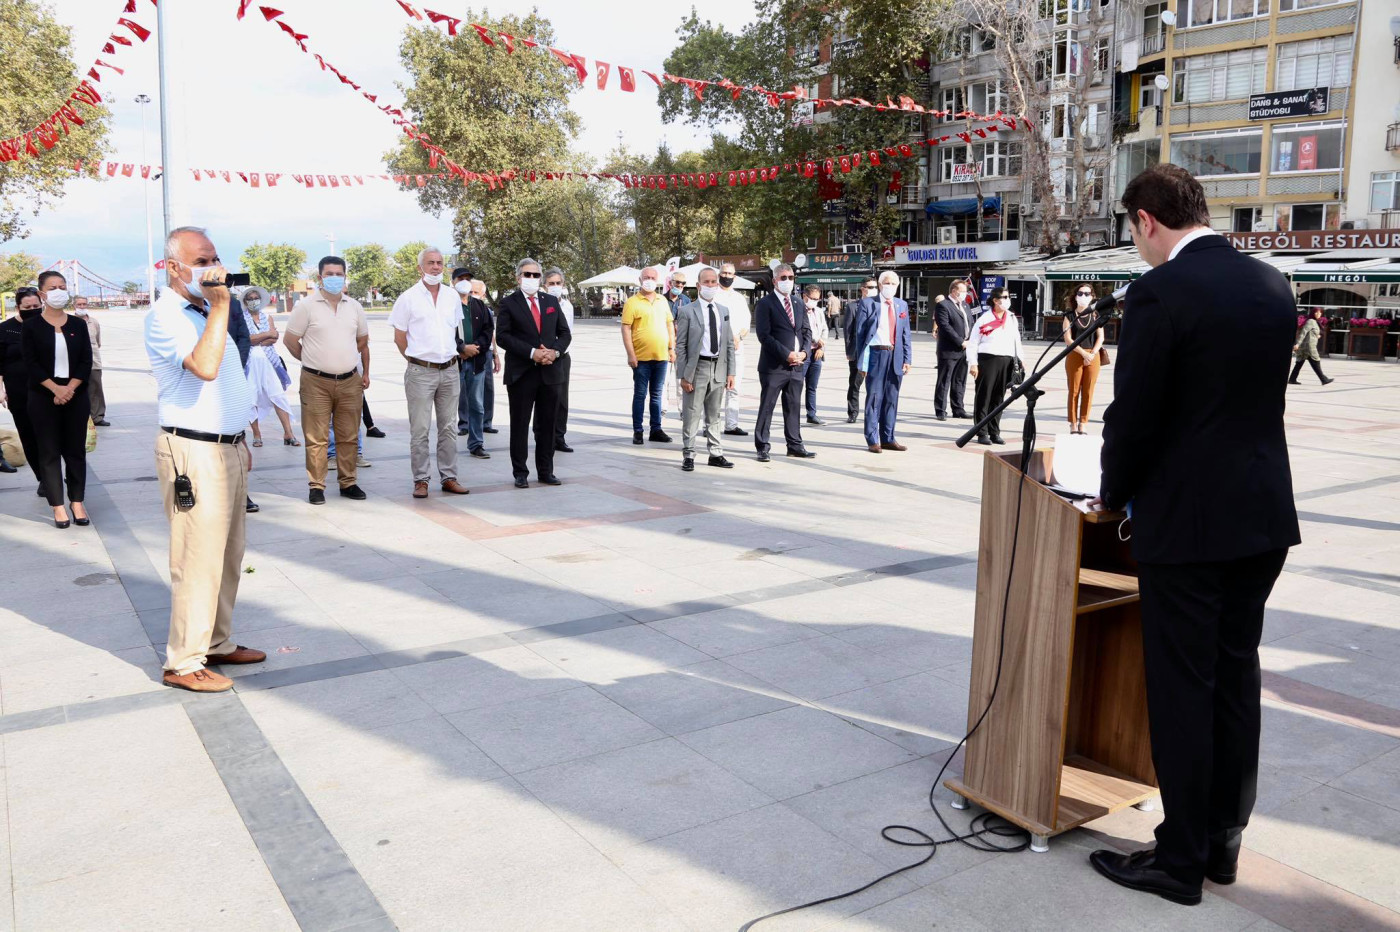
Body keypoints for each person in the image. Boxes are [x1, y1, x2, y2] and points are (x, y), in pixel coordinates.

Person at [1089, 163, 1301, 907]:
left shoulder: (1161, 291)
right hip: (1262, 516)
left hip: (1188, 524)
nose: (1136, 245)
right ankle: (1221, 843)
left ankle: (1179, 862)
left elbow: (1135, 415)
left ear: (1146, 220)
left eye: (1133, 232)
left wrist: (1112, 489)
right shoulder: (1272, 284)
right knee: (1236, 679)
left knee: (1184, 688)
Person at [144, 226, 265, 693]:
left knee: (228, 555)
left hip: (226, 446)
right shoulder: (166, 316)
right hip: (193, 451)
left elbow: (229, 381)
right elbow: (205, 367)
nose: (213, 268)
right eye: (201, 261)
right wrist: (219, 306)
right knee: (197, 559)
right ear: (175, 268)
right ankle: (183, 662)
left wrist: (240, 439)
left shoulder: (202, 311)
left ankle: (216, 642)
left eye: (215, 258)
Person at [285, 257, 370, 504]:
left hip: (349, 381)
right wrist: (311, 359)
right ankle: (316, 486)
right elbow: (290, 341)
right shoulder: (306, 306)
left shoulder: (354, 307)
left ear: (345, 276)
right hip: (315, 381)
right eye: (329, 274)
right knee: (316, 437)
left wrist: (348, 360)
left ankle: (348, 482)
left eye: (339, 273)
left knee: (349, 435)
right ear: (320, 277)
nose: (334, 278)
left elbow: (362, 341)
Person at [389, 247, 468, 499]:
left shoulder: (451, 296)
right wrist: (415, 361)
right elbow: (399, 337)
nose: (435, 267)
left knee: (448, 427)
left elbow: (455, 331)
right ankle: (421, 480)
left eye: (439, 262)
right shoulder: (408, 298)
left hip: (450, 370)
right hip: (421, 372)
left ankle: (449, 477)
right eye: (430, 262)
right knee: (420, 429)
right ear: (420, 267)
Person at [23, 271, 93, 527]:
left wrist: (69, 388)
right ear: (42, 294)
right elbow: (31, 363)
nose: (59, 291)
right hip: (43, 396)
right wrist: (55, 389)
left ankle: (77, 501)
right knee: (49, 452)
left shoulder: (78, 325)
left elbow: (86, 361)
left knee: (75, 451)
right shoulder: (31, 326)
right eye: (53, 288)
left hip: (76, 394)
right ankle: (58, 506)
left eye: (62, 286)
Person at [496, 257, 572, 488]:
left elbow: (564, 333)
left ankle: (546, 471)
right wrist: (531, 353)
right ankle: (520, 472)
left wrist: (554, 352)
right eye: (527, 274)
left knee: (547, 424)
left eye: (535, 275)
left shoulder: (550, 301)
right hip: (522, 373)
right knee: (520, 424)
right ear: (518, 277)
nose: (531, 278)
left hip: (550, 371)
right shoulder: (508, 303)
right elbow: (503, 337)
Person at [675, 267, 736, 471]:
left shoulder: (723, 311)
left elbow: (728, 343)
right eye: (706, 282)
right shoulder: (687, 311)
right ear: (698, 285)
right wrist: (684, 376)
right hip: (697, 368)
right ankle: (689, 453)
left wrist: (731, 372)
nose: (710, 285)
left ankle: (715, 453)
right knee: (692, 413)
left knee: (714, 414)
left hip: (718, 367)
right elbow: (681, 346)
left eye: (713, 282)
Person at [752, 263, 814, 462]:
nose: (788, 281)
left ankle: (795, 445)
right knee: (767, 406)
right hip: (774, 366)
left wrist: (804, 352)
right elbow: (764, 335)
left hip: (797, 366)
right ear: (775, 281)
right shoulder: (765, 304)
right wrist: (786, 354)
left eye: (791, 277)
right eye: (784, 278)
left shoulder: (798, 303)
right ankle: (762, 446)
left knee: (793, 406)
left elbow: (806, 331)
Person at [851, 271, 913, 453]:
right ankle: (872, 439)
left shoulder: (901, 305)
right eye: (887, 283)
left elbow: (906, 334)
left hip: (896, 355)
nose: (890, 286)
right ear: (879, 285)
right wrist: (861, 362)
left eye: (894, 283)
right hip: (876, 354)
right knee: (874, 397)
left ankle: (888, 438)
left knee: (892, 398)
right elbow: (860, 334)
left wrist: (907, 358)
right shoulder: (868, 303)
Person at [241, 286, 300, 450]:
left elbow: (274, 338)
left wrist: (258, 338)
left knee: (278, 395)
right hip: (250, 364)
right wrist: (266, 335)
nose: (253, 301)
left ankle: (288, 433)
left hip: (269, 363)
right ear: (245, 301)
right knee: (251, 399)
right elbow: (247, 340)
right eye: (250, 299)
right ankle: (257, 435)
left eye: (256, 298)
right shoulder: (241, 318)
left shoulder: (267, 317)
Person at [621, 266, 674, 445]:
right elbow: (626, 329)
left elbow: (669, 325)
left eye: (652, 277)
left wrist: (671, 348)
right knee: (640, 395)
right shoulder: (632, 302)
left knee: (657, 395)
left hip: (661, 357)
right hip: (641, 358)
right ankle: (638, 430)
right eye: (646, 277)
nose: (649, 280)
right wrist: (630, 354)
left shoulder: (662, 300)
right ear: (640, 280)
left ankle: (656, 429)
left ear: (657, 281)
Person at [966, 286, 1022, 446]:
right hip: (988, 360)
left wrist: (1020, 359)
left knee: (999, 398)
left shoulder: (1011, 317)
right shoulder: (984, 319)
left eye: (1008, 297)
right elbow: (973, 342)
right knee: (984, 397)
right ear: (996, 300)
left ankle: (994, 431)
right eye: (1005, 297)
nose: (1008, 300)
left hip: (1007, 360)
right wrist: (973, 363)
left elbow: (1016, 339)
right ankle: (981, 432)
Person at [0, 286, 45, 488]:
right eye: (28, 307)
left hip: (48, 390)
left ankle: (53, 473)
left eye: (36, 306)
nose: (33, 310)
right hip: (18, 390)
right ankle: (43, 478)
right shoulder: (5, 329)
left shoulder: (48, 325)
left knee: (49, 435)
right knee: (28, 435)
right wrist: (0, 390)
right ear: (18, 307)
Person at [452, 267, 493, 460]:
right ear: (453, 282)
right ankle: (447, 447)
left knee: (477, 405)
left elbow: (488, 330)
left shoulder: (479, 305)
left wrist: (476, 347)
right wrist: (461, 348)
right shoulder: (447, 305)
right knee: (449, 406)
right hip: (454, 363)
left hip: (476, 362)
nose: (464, 282)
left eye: (468, 279)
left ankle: (476, 444)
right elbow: (443, 331)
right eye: (460, 278)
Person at [1063, 284, 1106, 434]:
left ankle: (1083, 422)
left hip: (1093, 355)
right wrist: (1083, 353)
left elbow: (1101, 337)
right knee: (1074, 390)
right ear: (1075, 296)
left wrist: (1092, 353)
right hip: (1075, 353)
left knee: (1088, 390)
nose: (1083, 296)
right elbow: (1068, 339)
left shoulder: (1095, 315)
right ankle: (1073, 423)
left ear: (1092, 297)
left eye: (1087, 294)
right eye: (1080, 293)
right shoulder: (1069, 316)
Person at [933, 280, 974, 422]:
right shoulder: (943, 305)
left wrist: (970, 341)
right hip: (949, 349)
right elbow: (945, 326)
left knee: (960, 381)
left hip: (964, 349)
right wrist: (960, 341)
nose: (965, 294)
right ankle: (940, 410)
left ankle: (958, 409)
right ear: (954, 291)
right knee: (944, 381)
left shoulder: (965, 305)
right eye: (963, 291)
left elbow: (970, 323)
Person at [543, 267, 574, 452]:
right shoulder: (542, 304)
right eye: (551, 283)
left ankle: (559, 437)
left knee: (562, 399)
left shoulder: (567, 306)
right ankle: (545, 436)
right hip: (545, 355)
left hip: (562, 356)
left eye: (558, 283)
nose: (555, 286)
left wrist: (558, 351)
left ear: (563, 284)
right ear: (544, 285)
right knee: (547, 398)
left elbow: (567, 333)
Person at [719, 263, 751, 437]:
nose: (726, 276)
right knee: (714, 390)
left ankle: (731, 425)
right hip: (716, 349)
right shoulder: (712, 295)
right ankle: (710, 425)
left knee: (734, 388)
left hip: (737, 348)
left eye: (730, 273)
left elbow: (746, 323)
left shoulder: (739, 298)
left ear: (734, 276)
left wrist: (739, 336)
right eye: (724, 273)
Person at [845, 278, 878, 423]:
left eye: (875, 287)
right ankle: (853, 412)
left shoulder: (880, 305)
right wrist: (849, 351)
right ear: (863, 289)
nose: (874, 289)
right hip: (858, 352)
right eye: (870, 287)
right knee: (855, 383)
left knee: (875, 385)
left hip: (877, 350)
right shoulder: (853, 306)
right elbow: (848, 330)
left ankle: (873, 412)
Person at [72, 297, 109, 426]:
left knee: (96, 389)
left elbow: (98, 342)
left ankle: (97, 417)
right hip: (75, 363)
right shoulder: (70, 322)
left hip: (94, 361)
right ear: (74, 306)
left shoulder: (94, 322)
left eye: (84, 304)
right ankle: (78, 417)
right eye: (79, 304)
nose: (82, 306)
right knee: (76, 390)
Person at [471, 278, 501, 435]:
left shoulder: (487, 311)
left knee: (488, 388)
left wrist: (496, 354)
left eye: (476, 292)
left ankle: (486, 422)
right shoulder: (461, 309)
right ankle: (465, 424)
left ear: (483, 295)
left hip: (486, 353)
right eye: (470, 291)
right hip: (467, 352)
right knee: (466, 389)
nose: (472, 294)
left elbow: (491, 334)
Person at [801, 284, 829, 426]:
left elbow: (825, 329)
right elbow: (805, 331)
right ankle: (793, 415)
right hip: (803, 353)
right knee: (797, 386)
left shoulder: (818, 311)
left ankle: (811, 414)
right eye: (812, 298)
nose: (814, 301)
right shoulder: (799, 310)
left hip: (816, 353)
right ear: (804, 296)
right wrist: (818, 340)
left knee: (812, 386)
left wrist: (822, 347)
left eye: (817, 299)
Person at [1289, 308, 1333, 386]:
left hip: (1305, 347)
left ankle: (1292, 379)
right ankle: (1323, 379)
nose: (1318, 314)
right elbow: (1303, 332)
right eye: (1316, 312)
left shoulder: (1315, 322)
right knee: (1316, 361)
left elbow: (1311, 333)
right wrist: (1297, 344)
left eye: (1320, 313)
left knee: (1299, 363)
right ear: (1313, 313)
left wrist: (1317, 335)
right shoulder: (1311, 321)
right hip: (1309, 346)